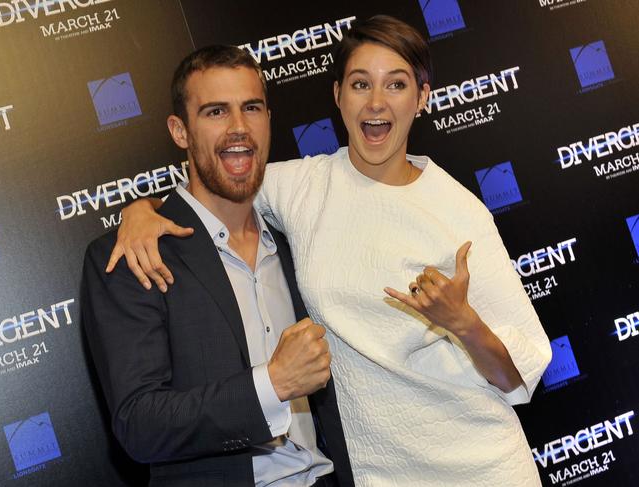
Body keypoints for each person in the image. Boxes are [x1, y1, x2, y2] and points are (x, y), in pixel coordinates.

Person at [108, 16, 552, 487]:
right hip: (377, 471)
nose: (376, 102)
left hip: (480, 465)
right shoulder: (302, 185)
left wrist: (464, 322)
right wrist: (140, 210)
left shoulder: (460, 211)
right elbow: (218, 181)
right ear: (339, 96)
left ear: (422, 98)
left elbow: (518, 374)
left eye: (396, 84)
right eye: (361, 84)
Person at [81, 45, 354, 487]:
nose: (239, 128)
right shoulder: (134, 254)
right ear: (180, 131)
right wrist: (274, 383)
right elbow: (141, 425)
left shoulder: (296, 238)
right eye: (215, 112)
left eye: (251, 107)